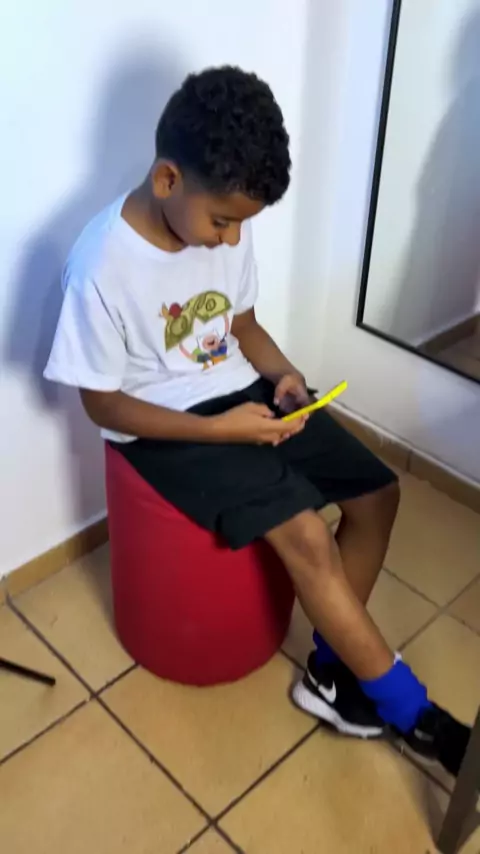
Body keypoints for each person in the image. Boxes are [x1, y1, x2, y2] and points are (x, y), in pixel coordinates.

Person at [44, 66, 470, 776]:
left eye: (242, 223)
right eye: (223, 221)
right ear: (168, 179)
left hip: (239, 391)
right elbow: (103, 405)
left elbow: (241, 327)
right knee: (306, 534)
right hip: (162, 423)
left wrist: (284, 377)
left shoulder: (224, 226)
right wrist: (224, 431)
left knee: (377, 493)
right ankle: (414, 714)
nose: (231, 238)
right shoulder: (101, 267)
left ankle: (333, 675)